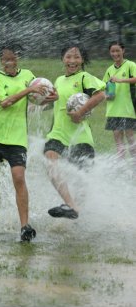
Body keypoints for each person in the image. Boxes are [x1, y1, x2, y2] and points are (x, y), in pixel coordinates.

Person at [0, 43, 49, 242]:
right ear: (0, 60)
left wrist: (50, 95)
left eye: (13, 58)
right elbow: (5, 103)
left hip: (16, 137)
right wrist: (28, 90)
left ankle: (25, 226)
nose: (9, 62)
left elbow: (40, 96)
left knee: (18, 177)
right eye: (5, 59)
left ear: (18, 59)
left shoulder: (28, 76)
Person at [44, 44, 106, 219]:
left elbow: (100, 95)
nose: (72, 61)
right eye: (68, 57)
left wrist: (80, 112)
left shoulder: (85, 77)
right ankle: (70, 204)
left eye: (76, 57)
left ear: (82, 60)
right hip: (58, 134)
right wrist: (41, 103)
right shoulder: (58, 80)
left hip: (80, 137)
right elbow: (57, 104)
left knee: (82, 181)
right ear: (63, 59)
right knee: (50, 162)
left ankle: (77, 213)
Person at [103, 41, 136, 160]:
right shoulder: (109, 70)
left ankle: (134, 170)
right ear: (109, 52)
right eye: (112, 51)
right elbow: (105, 87)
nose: (115, 53)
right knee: (119, 144)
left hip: (128, 110)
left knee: (131, 143)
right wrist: (107, 95)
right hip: (113, 110)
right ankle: (121, 171)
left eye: (117, 50)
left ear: (123, 51)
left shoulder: (130, 65)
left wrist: (120, 80)